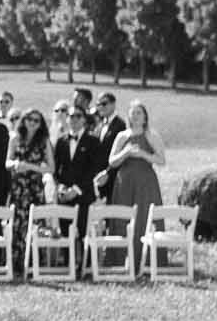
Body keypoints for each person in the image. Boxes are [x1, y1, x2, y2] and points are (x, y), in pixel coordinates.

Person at [109, 100, 165, 270]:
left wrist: (142, 154)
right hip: (124, 182)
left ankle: (147, 261)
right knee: (122, 217)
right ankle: (120, 261)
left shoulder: (151, 135)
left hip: (145, 182)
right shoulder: (122, 136)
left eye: (139, 112)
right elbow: (112, 162)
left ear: (145, 117)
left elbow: (162, 160)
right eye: (132, 113)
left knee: (144, 217)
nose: (135, 116)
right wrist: (125, 153)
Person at [52, 104, 102, 273]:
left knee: (82, 231)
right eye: (71, 116)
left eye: (78, 116)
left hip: (83, 194)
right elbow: (55, 169)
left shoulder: (93, 141)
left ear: (84, 120)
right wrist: (60, 187)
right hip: (64, 195)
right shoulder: (61, 141)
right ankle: (69, 265)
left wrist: (76, 189)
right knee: (65, 231)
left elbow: (93, 169)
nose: (74, 119)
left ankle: (85, 266)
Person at [6, 108, 54, 278]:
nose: (32, 123)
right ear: (24, 120)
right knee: (17, 224)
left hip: (34, 186)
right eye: (29, 119)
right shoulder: (14, 138)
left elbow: (51, 168)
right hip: (18, 186)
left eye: (36, 121)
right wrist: (16, 164)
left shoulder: (44, 141)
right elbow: (7, 161)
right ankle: (16, 263)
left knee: (34, 224)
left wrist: (31, 167)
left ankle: (34, 263)